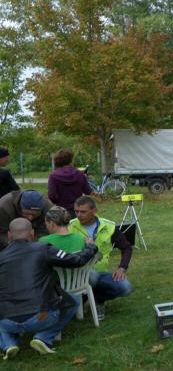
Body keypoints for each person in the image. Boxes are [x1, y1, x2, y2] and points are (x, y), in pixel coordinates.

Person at [0, 218, 98, 358]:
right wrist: (90, 247)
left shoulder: (1, 256)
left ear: (9, 235)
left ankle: (8, 343)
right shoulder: (43, 248)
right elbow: (76, 260)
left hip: (6, 321)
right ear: (32, 233)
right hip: (41, 317)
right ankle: (43, 337)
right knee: (74, 301)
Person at [69, 195, 133, 319]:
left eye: (83, 212)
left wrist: (122, 268)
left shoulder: (109, 226)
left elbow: (126, 248)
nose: (78, 215)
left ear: (94, 211)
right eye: (76, 211)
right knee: (91, 277)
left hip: (101, 274)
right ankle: (83, 300)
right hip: (77, 275)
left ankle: (98, 299)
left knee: (126, 287)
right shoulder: (70, 226)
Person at [48, 149, 92, 218]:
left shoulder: (53, 176)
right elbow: (88, 191)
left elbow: (52, 196)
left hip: (61, 211)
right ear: (71, 160)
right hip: (78, 211)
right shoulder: (80, 174)